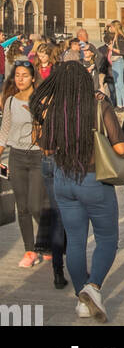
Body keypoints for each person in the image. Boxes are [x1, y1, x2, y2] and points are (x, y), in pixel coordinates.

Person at [29, 61, 124, 322]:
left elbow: (45, 150)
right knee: (107, 238)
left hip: (63, 180)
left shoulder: (53, 109)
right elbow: (121, 148)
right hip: (93, 180)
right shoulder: (98, 105)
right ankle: (93, 287)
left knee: (76, 242)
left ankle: (82, 300)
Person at [0, 61, 50, 267]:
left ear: (32, 78)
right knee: (22, 207)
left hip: (38, 157)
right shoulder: (10, 101)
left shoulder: (42, 100)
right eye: (17, 75)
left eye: (24, 75)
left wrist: (37, 113)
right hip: (17, 157)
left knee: (36, 205)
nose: (20, 79)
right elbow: (4, 131)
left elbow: (50, 128)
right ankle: (30, 251)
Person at [103, 22, 124, 109]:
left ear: (115, 27)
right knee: (116, 84)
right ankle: (119, 105)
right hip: (114, 62)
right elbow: (105, 39)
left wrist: (112, 48)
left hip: (119, 61)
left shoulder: (120, 37)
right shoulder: (114, 36)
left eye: (111, 26)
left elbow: (123, 51)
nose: (110, 28)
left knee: (120, 84)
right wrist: (106, 29)